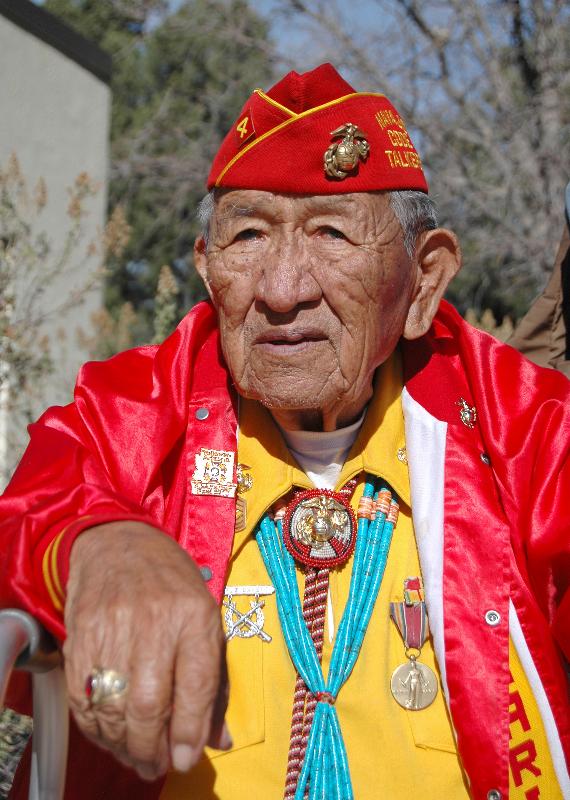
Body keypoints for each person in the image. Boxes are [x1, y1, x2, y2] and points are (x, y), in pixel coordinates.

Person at [1, 63, 569, 800]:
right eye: (249, 237)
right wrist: (100, 547)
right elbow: (27, 515)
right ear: (208, 271)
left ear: (424, 282)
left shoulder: (522, 424)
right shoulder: (139, 406)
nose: (281, 289)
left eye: (332, 234)